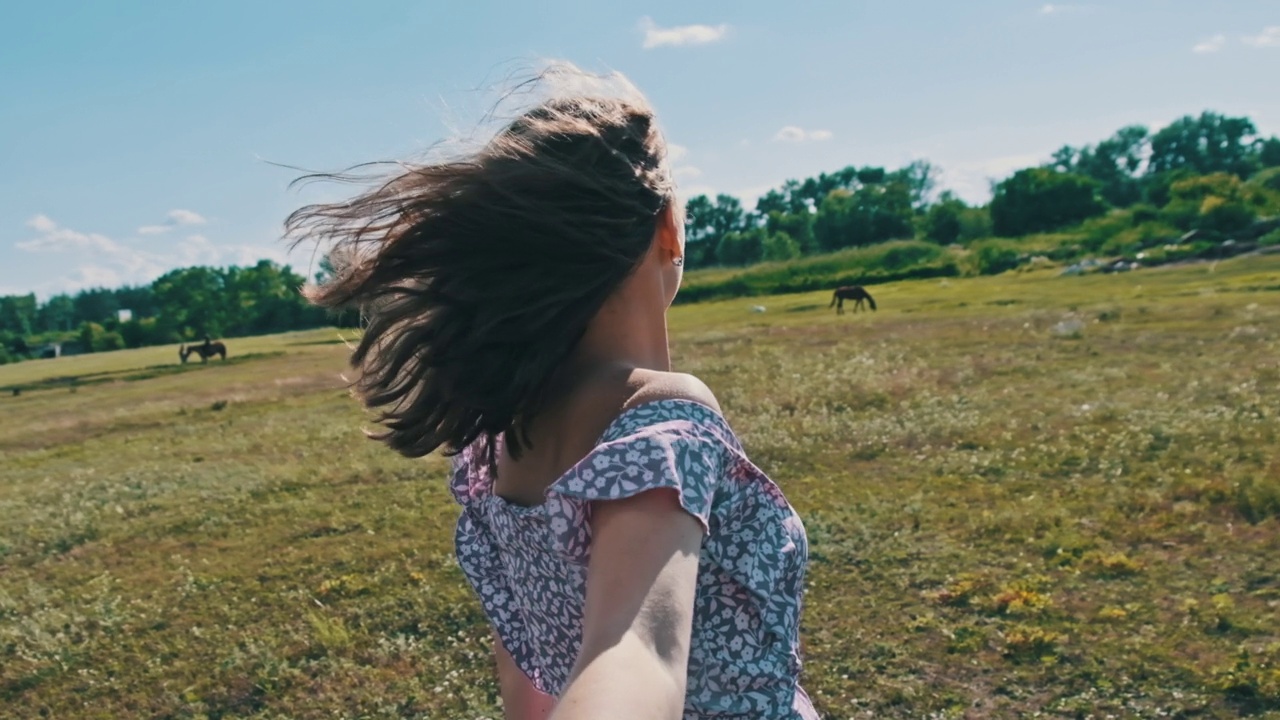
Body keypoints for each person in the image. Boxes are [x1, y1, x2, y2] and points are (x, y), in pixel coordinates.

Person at [286, 64, 817, 720]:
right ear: (669, 229)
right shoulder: (663, 416)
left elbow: (528, 683)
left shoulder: (494, 445)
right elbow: (638, 648)